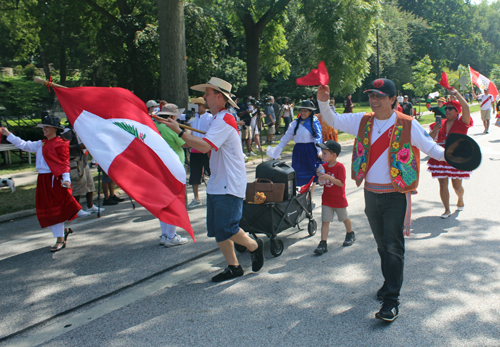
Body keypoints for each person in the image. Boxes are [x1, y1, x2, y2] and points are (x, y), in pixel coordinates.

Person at [317, 78, 446, 322]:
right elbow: (332, 119)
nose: (374, 100)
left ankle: (392, 301)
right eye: (371, 96)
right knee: (381, 245)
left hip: (396, 195)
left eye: (380, 96)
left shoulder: (408, 124)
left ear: (392, 99)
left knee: (393, 245)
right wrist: (323, 102)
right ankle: (389, 284)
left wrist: (454, 155)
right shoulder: (363, 121)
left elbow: (431, 149)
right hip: (370, 193)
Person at [155, 77, 264, 282]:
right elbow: (199, 145)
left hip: (229, 183)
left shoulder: (224, 119)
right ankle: (234, 267)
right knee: (217, 230)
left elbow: (204, 146)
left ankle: (254, 246)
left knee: (227, 228)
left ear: (219, 96)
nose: (204, 97)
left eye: (207, 93)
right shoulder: (217, 119)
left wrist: (179, 131)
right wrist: (180, 132)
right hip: (218, 182)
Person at [1, 116, 91, 252]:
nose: (44, 130)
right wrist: (7, 133)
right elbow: (24, 145)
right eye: (43, 127)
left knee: (55, 209)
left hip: (55, 179)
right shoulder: (41, 143)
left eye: (46, 127)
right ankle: (62, 231)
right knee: (45, 211)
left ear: (55, 129)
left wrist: (66, 179)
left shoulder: (61, 143)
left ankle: (60, 239)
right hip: (43, 179)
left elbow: (64, 163)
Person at [427, 88, 472, 219]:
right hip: (440, 156)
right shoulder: (439, 123)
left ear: (457, 112)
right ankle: (446, 210)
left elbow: (467, 108)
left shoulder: (462, 123)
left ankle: (460, 198)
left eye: (450, 108)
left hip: (457, 157)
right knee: (442, 184)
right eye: (446, 108)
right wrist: (435, 130)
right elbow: (428, 140)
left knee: (456, 186)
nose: (447, 110)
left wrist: (456, 94)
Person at [267, 100, 323, 196]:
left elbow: (318, 138)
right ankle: (298, 196)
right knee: (296, 173)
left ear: (310, 112)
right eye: (301, 110)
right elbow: (286, 137)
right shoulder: (295, 123)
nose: (303, 113)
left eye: (305, 111)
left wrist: (319, 151)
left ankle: (310, 196)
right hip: (298, 151)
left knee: (312, 173)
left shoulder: (314, 122)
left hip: (310, 151)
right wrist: (277, 150)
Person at [155, 104, 189, 247]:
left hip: (159, 167)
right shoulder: (170, 128)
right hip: (173, 167)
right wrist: (184, 131)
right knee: (174, 201)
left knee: (163, 202)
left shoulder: (155, 127)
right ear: (172, 117)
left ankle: (165, 234)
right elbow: (185, 143)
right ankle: (171, 235)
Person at [314, 140, 354, 255]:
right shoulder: (324, 166)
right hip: (327, 199)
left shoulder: (340, 167)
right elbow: (322, 183)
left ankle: (350, 233)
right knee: (325, 221)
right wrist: (320, 178)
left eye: (325, 153)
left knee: (344, 218)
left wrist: (328, 177)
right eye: (322, 152)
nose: (322, 154)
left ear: (333, 155)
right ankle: (323, 243)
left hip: (339, 200)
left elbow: (341, 183)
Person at [62, 125, 103, 213]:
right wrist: (77, 146)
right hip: (75, 161)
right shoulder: (68, 132)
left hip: (83, 160)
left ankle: (90, 205)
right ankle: (76, 209)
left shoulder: (81, 130)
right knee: (78, 185)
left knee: (89, 184)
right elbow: (63, 145)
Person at [187, 97, 213, 209]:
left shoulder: (210, 117)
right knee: (194, 174)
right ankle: (196, 198)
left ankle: (213, 195)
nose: (198, 107)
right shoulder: (192, 118)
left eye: (200, 104)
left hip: (206, 149)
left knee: (211, 172)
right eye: (195, 105)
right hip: (194, 149)